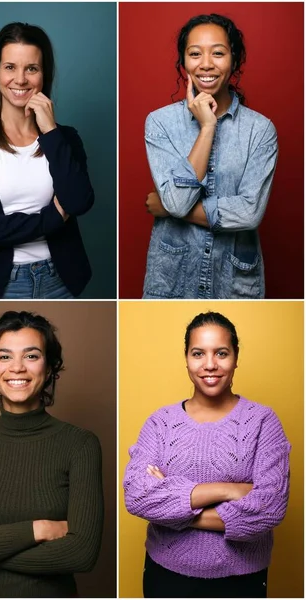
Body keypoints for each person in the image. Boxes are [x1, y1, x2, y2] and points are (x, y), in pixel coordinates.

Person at [0, 311, 103, 597]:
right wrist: (39, 530)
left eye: (32, 356)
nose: (17, 368)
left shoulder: (80, 445)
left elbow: (82, 554)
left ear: (49, 368)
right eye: (5, 356)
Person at [123, 311, 290, 598]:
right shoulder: (160, 422)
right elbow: (137, 496)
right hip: (166, 575)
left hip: (242, 579)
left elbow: (270, 508)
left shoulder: (263, 421)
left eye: (221, 353)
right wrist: (229, 490)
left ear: (236, 357)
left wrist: (171, 508)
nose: (210, 364)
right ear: (186, 358)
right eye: (198, 353)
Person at [0, 23, 94, 299]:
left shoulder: (65, 138)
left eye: (32, 68)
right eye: (10, 67)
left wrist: (50, 132)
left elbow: (79, 202)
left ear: (43, 75)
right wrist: (51, 218)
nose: (20, 79)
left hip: (61, 278)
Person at [143, 14, 278, 299]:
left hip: (234, 281)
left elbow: (250, 212)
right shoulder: (160, 123)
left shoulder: (261, 130)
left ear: (234, 59)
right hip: (173, 278)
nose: (206, 63)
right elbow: (179, 200)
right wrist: (207, 127)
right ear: (183, 61)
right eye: (195, 54)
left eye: (218, 53)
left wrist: (169, 209)